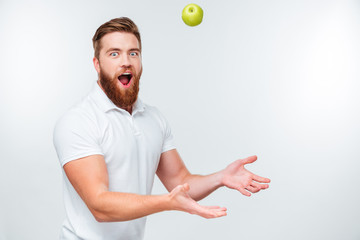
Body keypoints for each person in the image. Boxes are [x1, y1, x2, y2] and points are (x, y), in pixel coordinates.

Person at [53, 17, 271, 240]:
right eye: (114, 53)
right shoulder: (78, 121)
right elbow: (99, 205)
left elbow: (180, 182)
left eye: (133, 53)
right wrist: (167, 203)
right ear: (97, 64)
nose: (126, 61)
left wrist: (221, 177)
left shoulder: (153, 118)